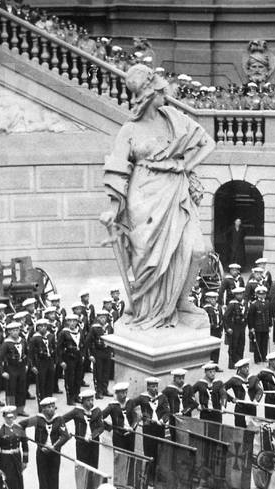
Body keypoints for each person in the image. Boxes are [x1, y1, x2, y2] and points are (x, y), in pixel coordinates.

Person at [101, 64, 215, 329]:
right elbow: (118, 167)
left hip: (176, 192)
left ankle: (181, 300)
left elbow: (208, 143)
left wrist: (186, 166)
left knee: (197, 250)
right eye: (161, 90)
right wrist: (111, 206)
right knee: (147, 258)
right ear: (150, 94)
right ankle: (146, 304)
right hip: (143, 198)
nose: (167, 94)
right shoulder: (129, 130)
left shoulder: (174, 118)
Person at [34, 396, 70, 489]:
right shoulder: (38, 420)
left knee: (54, 476)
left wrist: (55, 447)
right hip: (42, 453)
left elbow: (65, 435)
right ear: (43, 409)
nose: (51, 409)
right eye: (48, 407)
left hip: (55, 452)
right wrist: (40, 446)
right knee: (43, 478)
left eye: (52, 407)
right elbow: (33, 436)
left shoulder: (59, 419)